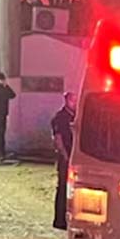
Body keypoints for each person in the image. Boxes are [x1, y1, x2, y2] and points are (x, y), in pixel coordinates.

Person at [51, 91, 77, 229]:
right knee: (62, 188)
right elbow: (58, 139)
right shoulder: (60, 117)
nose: (75, 103)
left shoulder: (76, 116)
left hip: (74, 156)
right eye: (73, 100)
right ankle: (60, 220)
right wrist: (66, 157)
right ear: (67, 101)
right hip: (65, 157)